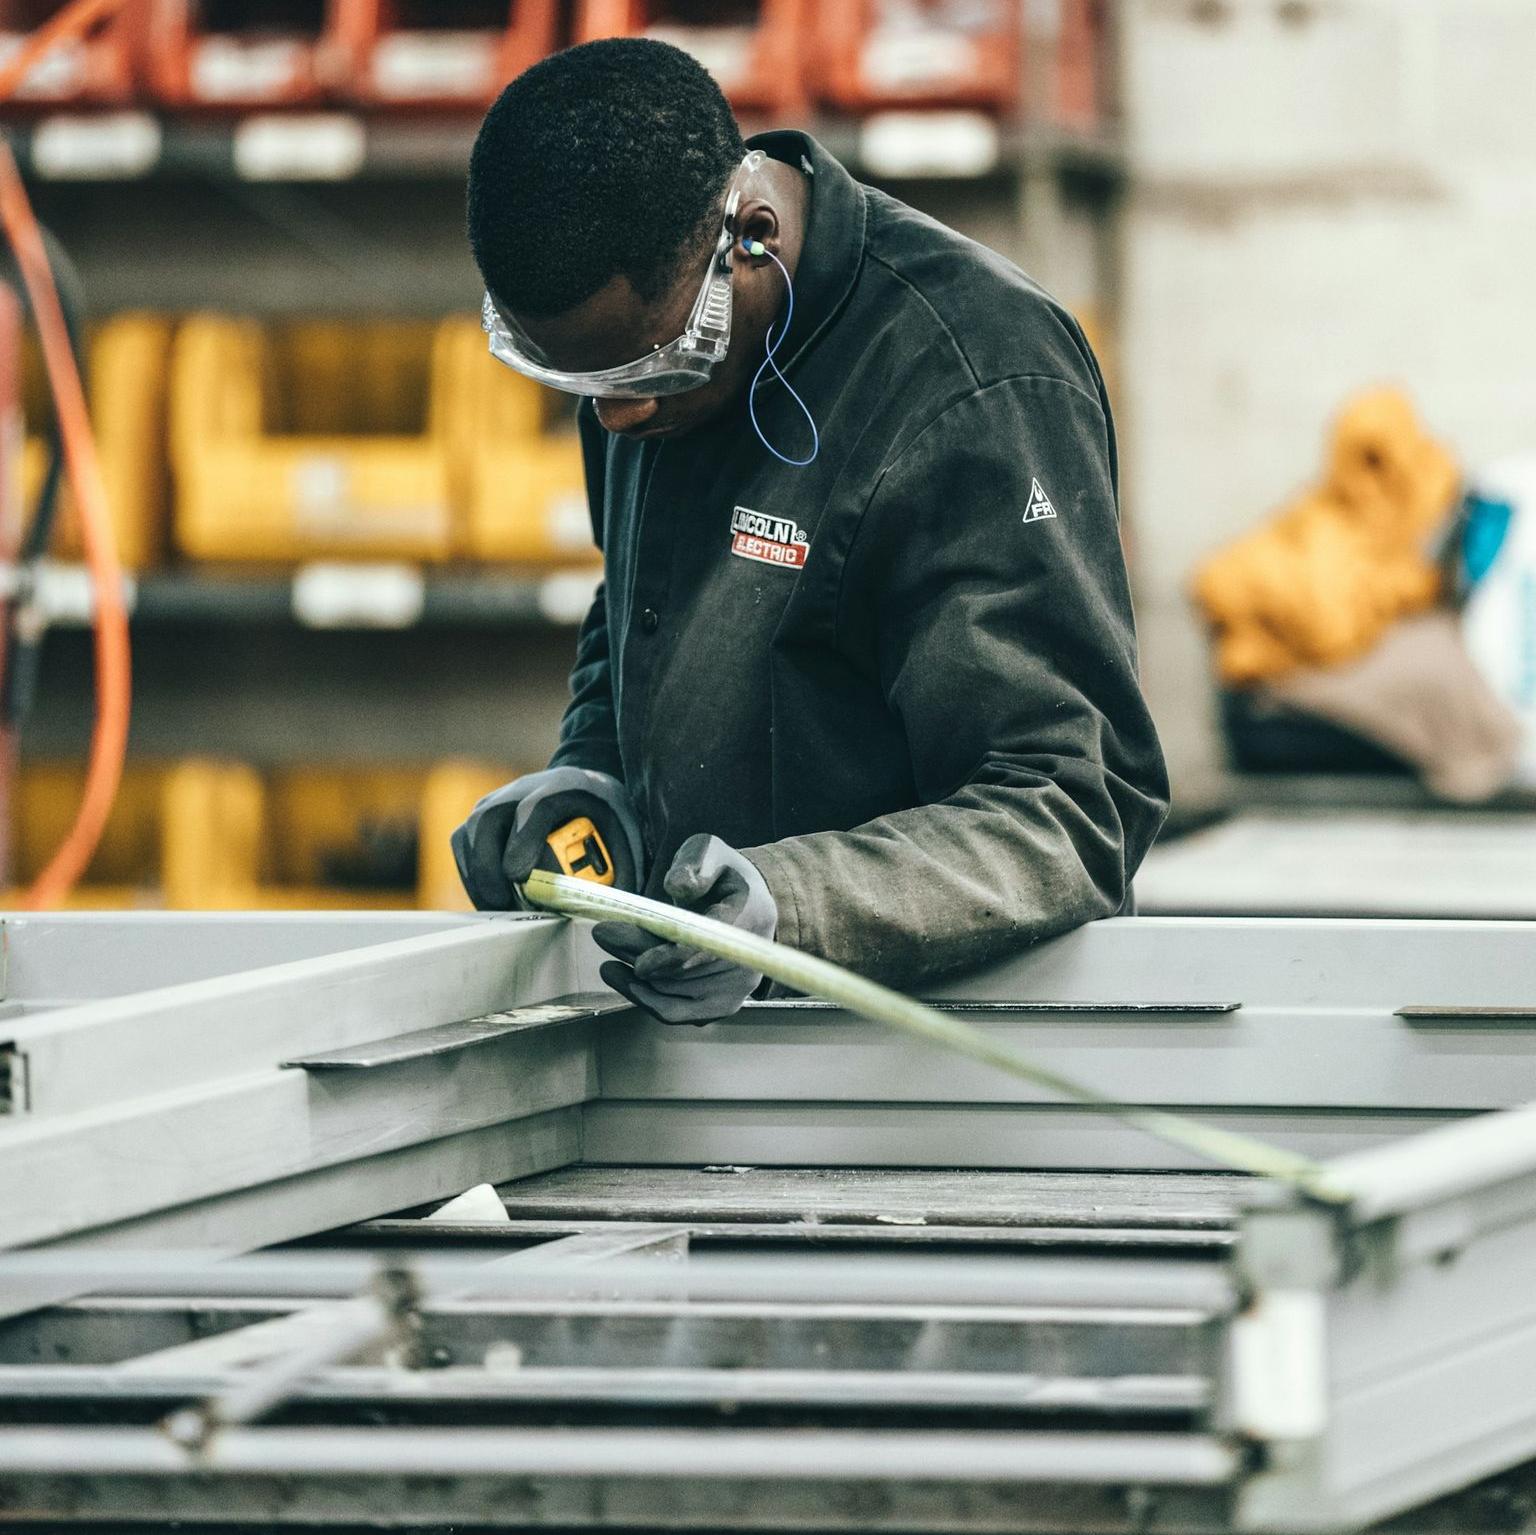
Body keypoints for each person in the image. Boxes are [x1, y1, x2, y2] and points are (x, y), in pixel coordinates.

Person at [452, 37, 1168, 1023]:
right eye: (589, 389)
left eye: (650, 376)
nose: (618, 421)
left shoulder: (974, 380)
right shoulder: (641, 347)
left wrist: (796, 910)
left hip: (927, 1073)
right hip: (709, 1045)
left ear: (749, 235)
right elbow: (640, 603)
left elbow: (1070, 809)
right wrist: (594, 780)